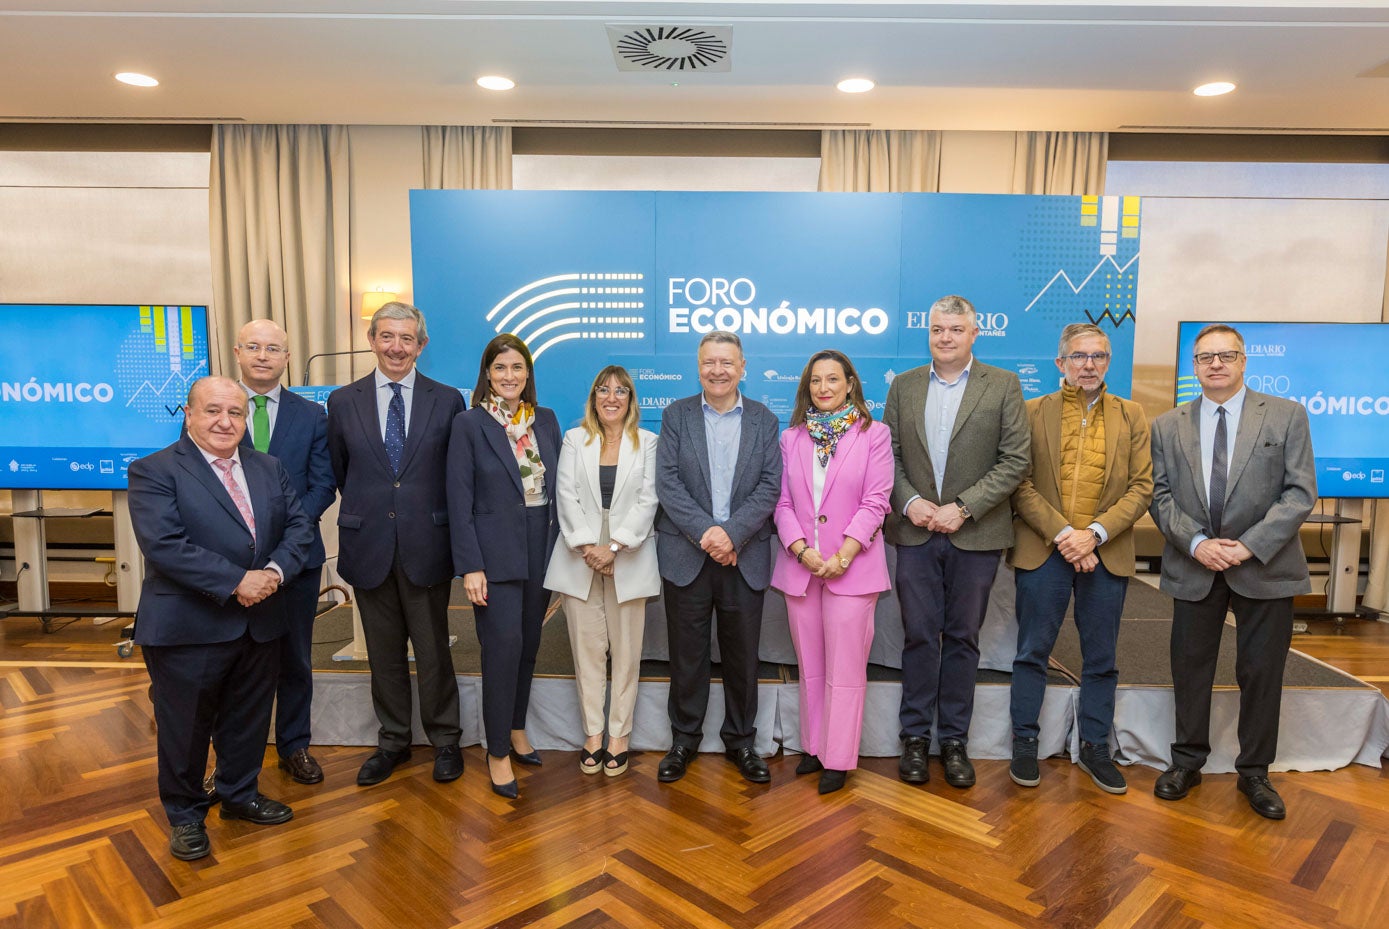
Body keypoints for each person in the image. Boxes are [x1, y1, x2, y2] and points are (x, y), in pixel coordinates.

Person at [129, 376, 314, 861]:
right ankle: (186, 814)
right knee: (185, 727)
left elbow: (299, 527)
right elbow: (165, 546)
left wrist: (272, 572)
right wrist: (238, 581)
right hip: (189, 625)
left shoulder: (268, 467)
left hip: (261, 619)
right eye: (212, 411)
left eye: (234, 413)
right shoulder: (154, 471)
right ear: (188, 414)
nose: (225, 422)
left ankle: (239, 794)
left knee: (248, 718)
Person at [1149, 323, 1315, 820]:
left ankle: (1255, 772)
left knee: (1261, 672)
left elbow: (1299, 493)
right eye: (1205, 357)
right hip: (1195, 564)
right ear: (1194, 366)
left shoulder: (1287, 415)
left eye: (1226, 355)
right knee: (1190, 668)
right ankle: (1187, 761)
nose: (1215, 364)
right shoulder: (1167, 424)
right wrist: (1198, 544)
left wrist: (1246, 547)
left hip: (1265, 565)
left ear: (1244, 361)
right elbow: (1159, 496)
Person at [883, 294, 1029, 788]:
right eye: (937, 329)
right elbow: (890, 458)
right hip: (915, 531)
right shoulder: (902, 387)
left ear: (974, 333)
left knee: (963, 639)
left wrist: (962, 507)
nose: (945, 337)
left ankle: (954, 741)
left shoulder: (1004, 385)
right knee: (920, 637)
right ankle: (916, 740)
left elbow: (1015, 460)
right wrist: (910, 503)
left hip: (977, 533)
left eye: (955, 329)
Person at [1007, 323, 1153, 794]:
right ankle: (1024, 743)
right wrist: (1065, 535)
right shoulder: (1029, 413)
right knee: (1031, 654)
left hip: (1104, 553)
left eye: (1098, 356)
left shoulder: (1133, 416)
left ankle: (1095, 747)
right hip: (1043, 551)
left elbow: (1142, 488)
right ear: (1060, 363)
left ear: (1109, 362)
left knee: (1102, 659)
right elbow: (1019, 483)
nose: (1088, 365)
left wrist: (1092, 534)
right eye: (1078, 356)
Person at [327, 302, 465, 787]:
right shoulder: (342, 401)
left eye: (407, 339)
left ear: (421, 345)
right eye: (387, 336)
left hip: (428, 544)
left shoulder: (446, 399)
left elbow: (455, 474)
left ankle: (446, 739)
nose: (396, 347)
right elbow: (344, 472)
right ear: (371, 339)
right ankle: (393, 741)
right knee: (382, 654)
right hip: (370, 547)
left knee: (433, 652)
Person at [655, 330, 782, 785]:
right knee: (686, 656)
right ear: (698, 366)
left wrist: (730, 536)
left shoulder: (766, 421)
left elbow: (770, 487)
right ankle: (684, 740)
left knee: (742, 657)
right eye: (709, 362)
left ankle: (742, 741)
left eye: (727, 362)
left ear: (743, 367)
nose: (718, 370)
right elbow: (667, 482)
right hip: (688, 553)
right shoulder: (676, 416)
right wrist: (709, 534)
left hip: (742, 557)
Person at [771, 350, 893, 794]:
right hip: (801, 569)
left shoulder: (874, 435)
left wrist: (841, 556)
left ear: (850, 385)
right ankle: (815, 747)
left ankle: (839, 759)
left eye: (832, 380)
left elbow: (876, 500)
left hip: (852, 569)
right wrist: (802, 551)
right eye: (816, 381)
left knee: (846, 669)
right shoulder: (792, 440)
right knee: (811, 665)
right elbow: (782, 504)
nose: (824, 388)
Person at [448, 333, 560, 799]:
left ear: (528, 373)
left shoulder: (547, 421)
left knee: (530, 644)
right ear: (487, 375)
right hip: (492, 556)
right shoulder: (469, 424)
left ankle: (516, 729)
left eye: (517, 367)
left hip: (542, 548)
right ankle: (496, 751)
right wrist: (471, 565)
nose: (509, 376)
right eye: (500, 368)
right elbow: (458, 500)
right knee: (502, 648)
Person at [233, 318, 336, 785]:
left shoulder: (312, 416)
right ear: (238, 352)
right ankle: (234, 759)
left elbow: (323, 486)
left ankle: (294, 746)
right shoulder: (217, 408)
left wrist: (286, 538)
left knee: (295, 658)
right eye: (253, 346)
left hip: (297, 560)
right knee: (233, 663)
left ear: (287, 358)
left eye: (273, 348)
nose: (262, 355)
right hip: (229, 564)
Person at [543, 366, 660, 777]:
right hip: (580, 556)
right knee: (587, 652)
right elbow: (565, 495)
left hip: (629, 554)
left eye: (621, 391)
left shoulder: (648, 442)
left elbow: (649, 501)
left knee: (627, 656)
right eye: (603, 390)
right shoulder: (576, 439)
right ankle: (593, 734)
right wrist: (587, 547)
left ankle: (619, 736)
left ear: (631, 400)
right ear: (593, 397)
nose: (612, 397)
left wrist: (614, 547)